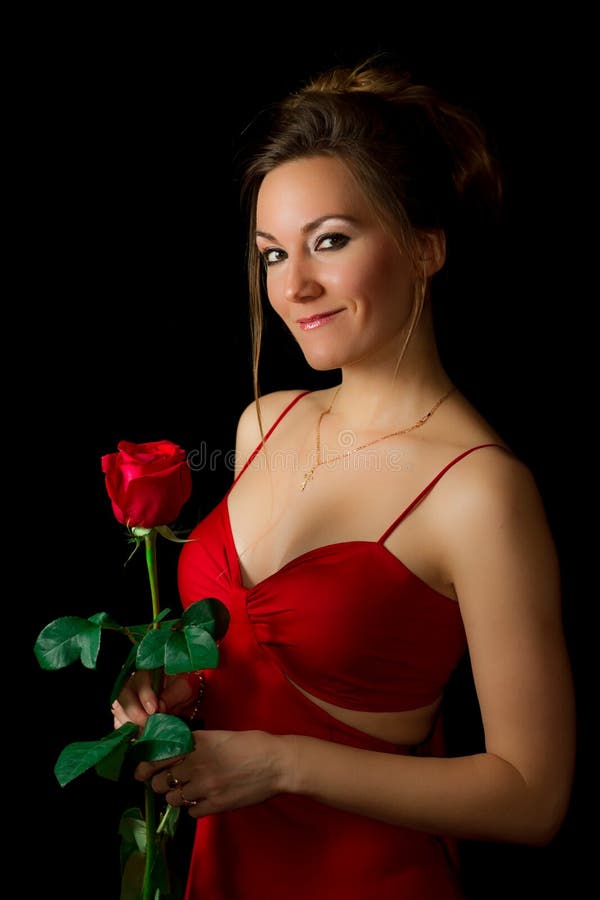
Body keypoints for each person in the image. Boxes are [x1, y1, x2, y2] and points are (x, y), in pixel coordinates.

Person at [112, 55, 576, 899]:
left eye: (331, 240)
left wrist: (284, 764)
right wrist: (172, 690)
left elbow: (532, 796)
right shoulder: (265, 423)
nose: (295, 287)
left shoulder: (480, 490)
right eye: (271, 254)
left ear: (425, 246)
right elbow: (247, 661)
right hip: (222, 875)